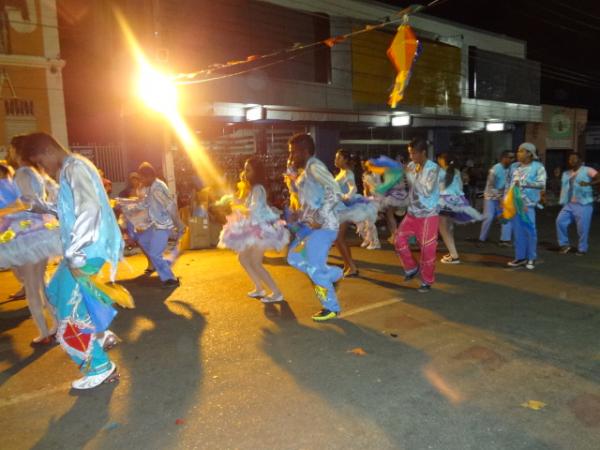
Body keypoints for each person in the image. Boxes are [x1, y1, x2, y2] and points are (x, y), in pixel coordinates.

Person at [22, 132, 122, 389]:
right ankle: (100, 335)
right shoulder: (72, 167)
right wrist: (43, 208)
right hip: (81, 250)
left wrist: (76, 253)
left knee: (68, 316)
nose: (43, 169)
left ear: (46, 152)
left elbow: (89, 208)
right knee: (55, 291)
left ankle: (99, 367)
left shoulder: (74, 167)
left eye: (40, 163)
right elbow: (72, 210)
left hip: (85, 251)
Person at [3, 137, 62, 345]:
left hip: (27, 232)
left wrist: (5, 211)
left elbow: (28, 203)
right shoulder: (37, 173)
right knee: (40, 283)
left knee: (32, 285)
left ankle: (45, 332)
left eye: (11, 151)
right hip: (41, 231)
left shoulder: (22, 173)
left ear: (18, 153)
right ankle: (56, 326)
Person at [286, 133, 344, 321]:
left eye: (293, 152)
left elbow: (335, 191)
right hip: (310, 227)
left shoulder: (315, 166)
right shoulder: (306, 170)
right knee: (293, 257)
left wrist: (319, 216)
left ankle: (331, 307)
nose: (291, 156)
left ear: (304, 151)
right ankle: (333, 274)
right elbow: (309, 199)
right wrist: (299, 213)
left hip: (324, 227)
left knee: (314, 268)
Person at [218, 157, 289, 303]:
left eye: (248, 169)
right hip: (254, 228)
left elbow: (253, 210)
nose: (245, 172)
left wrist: (239, 207)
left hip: (261, 231)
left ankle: (277, 292)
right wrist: (234, 202)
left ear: (256, 172)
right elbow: (248, 205)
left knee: (256, 262)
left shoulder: (258, 189)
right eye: (245, 169)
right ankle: (259, 288)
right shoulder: (253, 189)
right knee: (243, 258)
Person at [125, 162, 184, 288]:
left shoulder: (157, 188)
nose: (140, 181)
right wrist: (128, 208)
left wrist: (178, 224)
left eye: (142, 178)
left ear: (149, 176)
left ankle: (171, 279)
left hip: (162, 226)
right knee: (142, 240)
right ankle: (163, 264)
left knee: (154, 254)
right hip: (154, 224)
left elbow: (171, 207)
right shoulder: (149, 187)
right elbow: (145, 204)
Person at [395, 139, 440, 293]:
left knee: (427, 250)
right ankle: (412, 267)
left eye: (414, 153)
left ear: (423, 153)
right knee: (399, 240)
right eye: (410, 153)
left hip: (428, 215)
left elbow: (427, 191)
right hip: (412, 212)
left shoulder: (433, 169)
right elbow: (408, 184)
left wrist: (412, 176)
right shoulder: (412, 166)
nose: (412, 156)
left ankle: (427, 280)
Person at [334, 149, 378, 276]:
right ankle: (347, 265)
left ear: (345, 160)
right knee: (337, 239)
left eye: (338, 158)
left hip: (345, 209)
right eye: (336, 158)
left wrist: (346, 196)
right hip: (339, 208)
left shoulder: (348, 173)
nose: (335, 160)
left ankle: (352, 267)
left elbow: (353, 187)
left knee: (339, 238)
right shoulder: (341, 172)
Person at [506, 143, 547, 270]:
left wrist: (524, 183)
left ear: (529, 153)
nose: (517, 153)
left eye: (520, 151)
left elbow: (541, 184)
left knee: (530, 232)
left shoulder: (538, 167)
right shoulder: (513, 166)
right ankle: (520, 257)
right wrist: (505, 201)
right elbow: (508, 184)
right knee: (517, 233)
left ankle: (531, 257)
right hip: (514, 204)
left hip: (528, 205)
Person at [437, 153, 482, 264]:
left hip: (443, 201)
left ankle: (454, 256)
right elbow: (461, 187)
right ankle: (452, 252)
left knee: (444, 230)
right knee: (449, 228)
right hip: (457, 201)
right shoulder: (456, 172)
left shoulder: (441, 172)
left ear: (442, 160)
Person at [556, 152, 599, 256]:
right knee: (560, 221)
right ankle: (564, 245)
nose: (572, 161)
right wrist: (557, 177)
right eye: (570, 159)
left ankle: (582, 249)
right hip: (569, 203)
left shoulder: (587, 170)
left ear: (580, 160)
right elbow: (563, 187)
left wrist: (589, 183)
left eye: (574, 159)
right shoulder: (566, 173)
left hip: (583, 204)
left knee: (582, 228)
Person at [478, 151, 514, 246]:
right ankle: (482, 239)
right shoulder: (494, 170)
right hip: (490, 197)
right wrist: (500, 200)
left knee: (505, 217)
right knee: (488, 217)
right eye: (510, 158)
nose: (512, 160)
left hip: (502, 196)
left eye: (512, 158)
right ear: (503, 158)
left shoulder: (511, 169)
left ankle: (505, 240)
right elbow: (491, 186)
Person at [359, 159, 382, 250]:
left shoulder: (376, 174)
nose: (363, 166)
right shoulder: (364, 174)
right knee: (363, 220)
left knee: (370, 221)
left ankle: (375, 242)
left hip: (375, 199)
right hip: (368, 199)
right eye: (361, 164)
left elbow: (378, 188)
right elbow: (365, 188)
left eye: (364, 164)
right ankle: (368, 239)